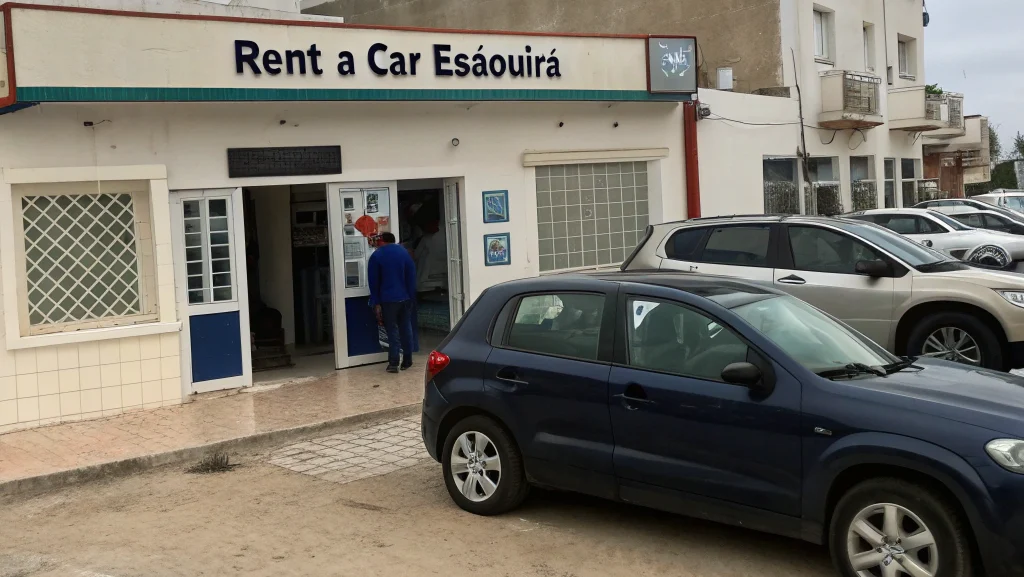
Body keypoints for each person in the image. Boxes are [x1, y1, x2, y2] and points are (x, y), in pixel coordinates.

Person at [368, 232, 417, 373]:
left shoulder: (377, 256)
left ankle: (394, 363)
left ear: (382, 241)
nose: (376, 242)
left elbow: (374, 281)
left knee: (392, 330)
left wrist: (376, 302)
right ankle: (408, 360)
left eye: (378, 240)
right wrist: (411, 297)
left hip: (388, 300)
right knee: (406, 327)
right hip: (405, 298)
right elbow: (411, 276)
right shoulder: (404, 253)